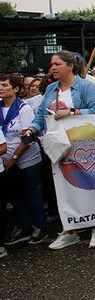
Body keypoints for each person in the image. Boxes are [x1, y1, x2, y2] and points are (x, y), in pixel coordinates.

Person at [26, 50, 95, 249]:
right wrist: (32, 128)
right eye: (51, 64)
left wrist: (72, 112)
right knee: (63, 189)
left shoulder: (85, 86)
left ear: (70, 66)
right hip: (58, 147)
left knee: (89, 185)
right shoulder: (51, 88)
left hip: (83, 144)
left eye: (57, 64)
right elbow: (41, 116)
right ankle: (70, 230)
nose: (52, 68)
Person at [1, 74, 45, 247]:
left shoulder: (23, 108)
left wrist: (14, 157)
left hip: (26, 158)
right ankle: (22, 225)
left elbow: (28, 137)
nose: (1, 88)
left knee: (32, 192)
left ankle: (40, 226)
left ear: (16, 89)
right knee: (16, 194)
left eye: (5, 85)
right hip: (6, 159)